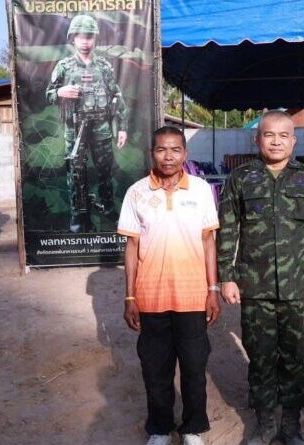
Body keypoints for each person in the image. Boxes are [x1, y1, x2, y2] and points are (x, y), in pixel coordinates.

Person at [217, 111, 304, 445]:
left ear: (293, 141)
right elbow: (227, 229)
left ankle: (291, 425)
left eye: (283, 136)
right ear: (257, 139)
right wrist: (226, 277)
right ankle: (265, 424)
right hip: (255, 287)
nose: (276, 141)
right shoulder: (241, 178)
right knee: (260, 357)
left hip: (298, 288)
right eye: (269, 135)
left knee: (295, 357)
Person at [118, 126, 220, 445]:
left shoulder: (200, 190)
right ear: (152, 153)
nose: (168, 156)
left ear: (185, 154)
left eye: (175, 150)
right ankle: (160, 429)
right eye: (162, 149)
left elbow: (209, 241)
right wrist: (130, 296)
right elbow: (132, 246)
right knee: (155, 369)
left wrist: (213, 290)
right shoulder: (137, 192)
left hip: (193, 296)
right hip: (151, 297)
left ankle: (192, 429)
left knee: (194, 367)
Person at [46, 14, 128, 233]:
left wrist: (122, 128)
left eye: (89, 37)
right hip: (75, 130)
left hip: (101, 128)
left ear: (95, 39)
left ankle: (108, 209)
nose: (85, 41)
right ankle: (78, 214)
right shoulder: (64, 66)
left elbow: (116, 96)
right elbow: (48, 95)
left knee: (105, 171)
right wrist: (60, 92)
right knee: (75, 173)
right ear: (73, 38)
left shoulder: (104, 66)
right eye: (81, 37)